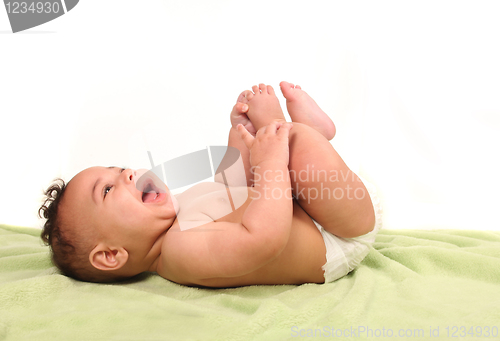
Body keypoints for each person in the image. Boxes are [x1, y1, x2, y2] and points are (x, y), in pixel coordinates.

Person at [39, 82, 382, 287]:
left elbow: (232, 189)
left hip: (299, 209)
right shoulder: (179, 253)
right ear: (111, 255)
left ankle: (294, 132)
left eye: (119, 169)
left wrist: (241, 140)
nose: (127, 174)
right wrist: (270, 162)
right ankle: (306, 132)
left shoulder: (177, 218)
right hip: (335, 237)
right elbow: (264, 239)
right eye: (108, 190)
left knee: (266, 149)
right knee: (296, 152)